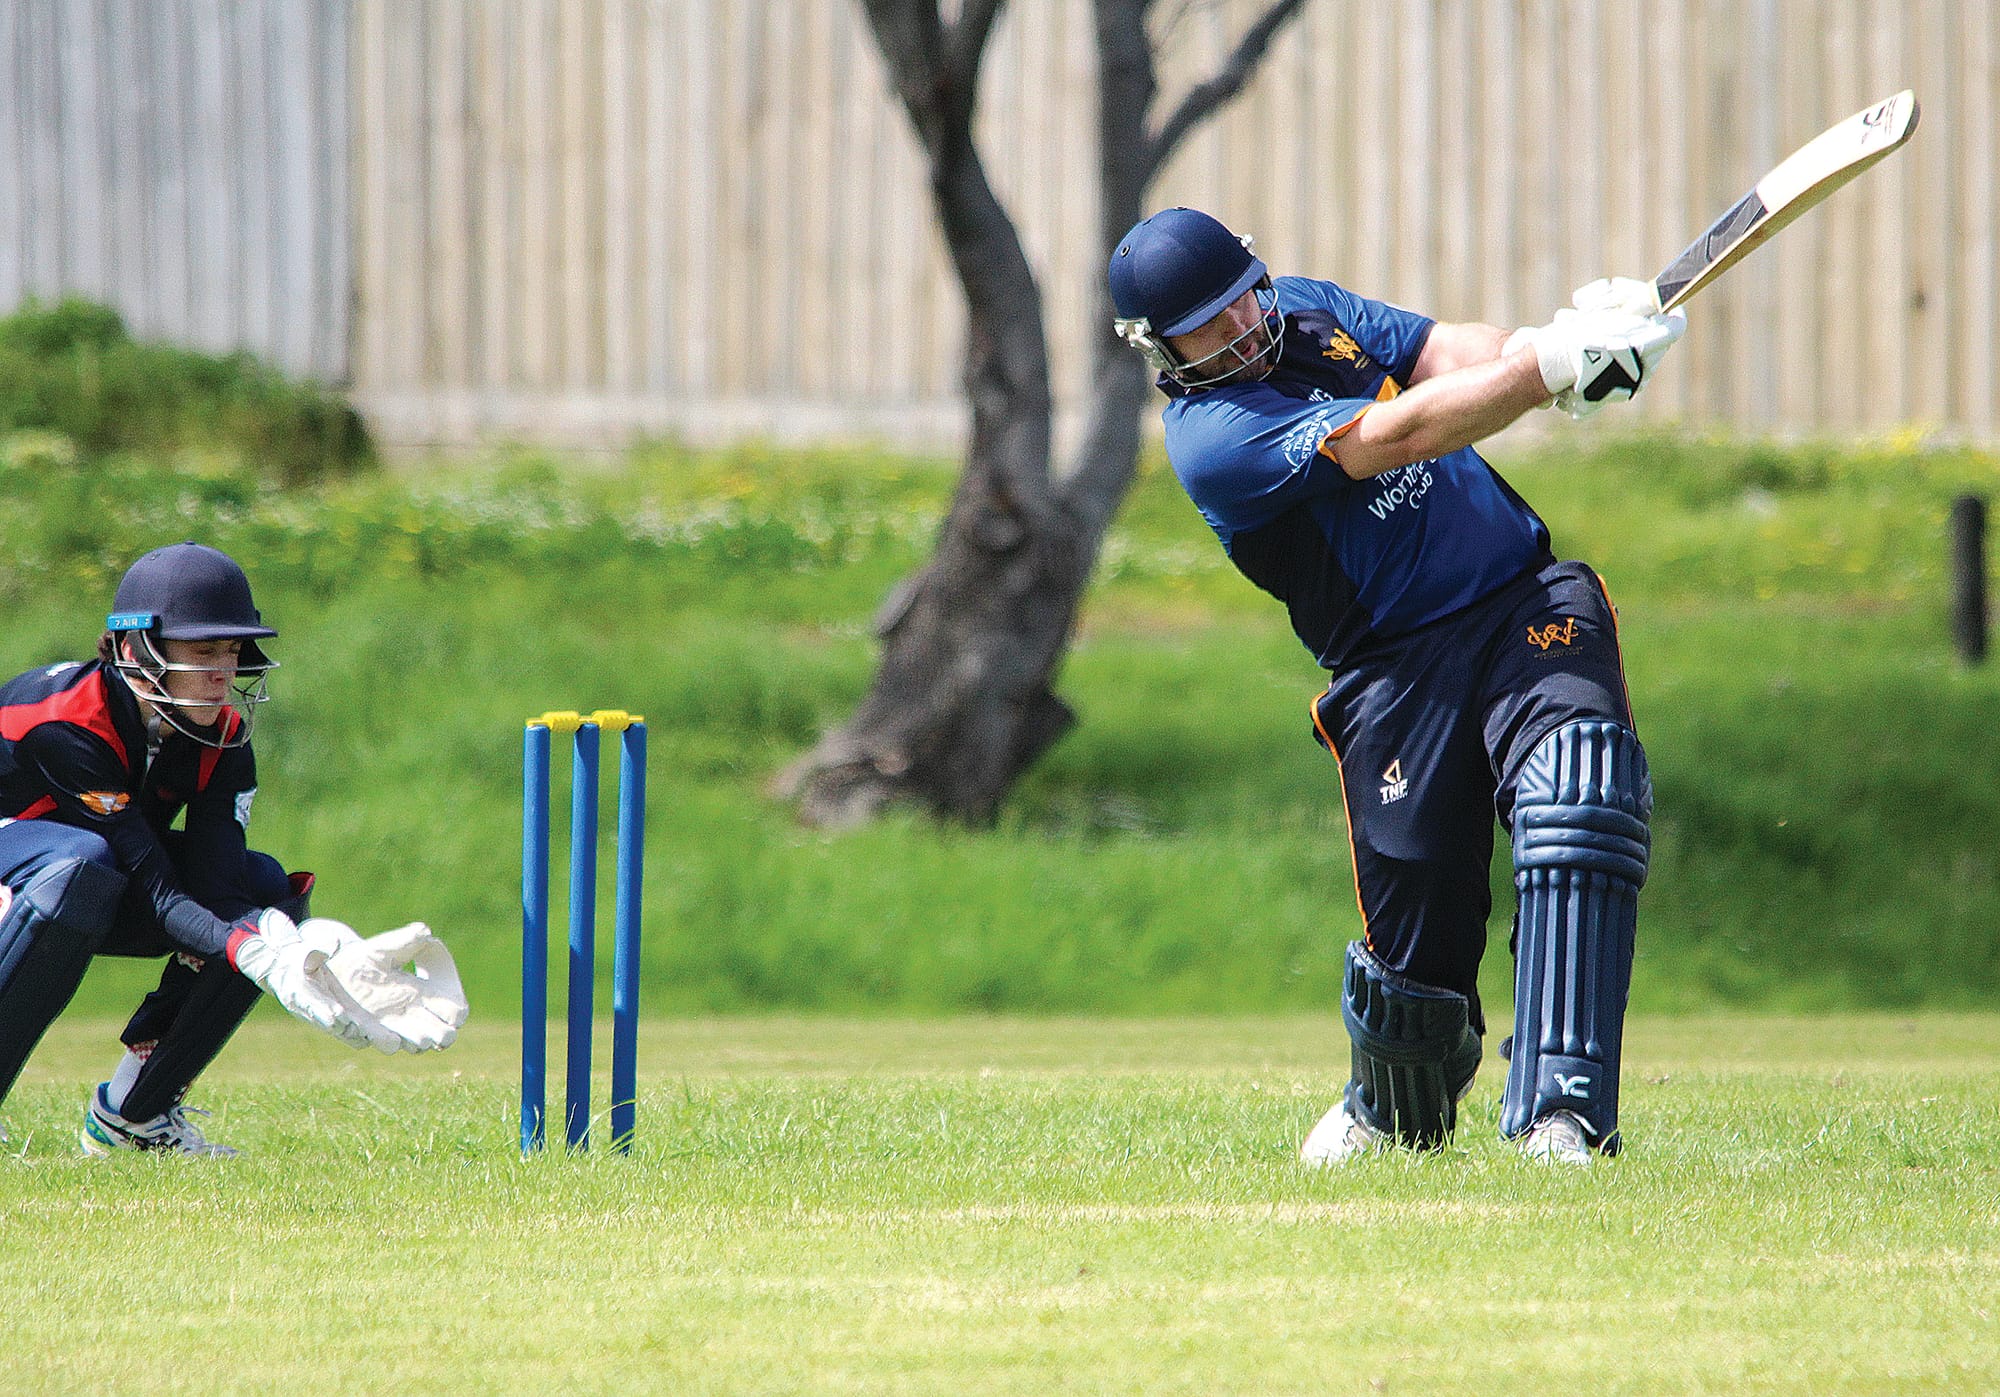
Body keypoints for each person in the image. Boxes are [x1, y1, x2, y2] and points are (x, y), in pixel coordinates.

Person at [1107, 207, 1685, 1165]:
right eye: (1205, 328)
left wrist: (1555, 347)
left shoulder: (1306, 311)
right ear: (1161, 350)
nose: (1241, 329)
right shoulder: (1212, 438)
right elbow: (1393, 433)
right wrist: (1543, 374)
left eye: (1241, 301)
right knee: (1419, 985)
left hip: (1519, 598)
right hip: (1393, 672)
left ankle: (1561, 1113)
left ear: (1260, 273)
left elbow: (1442, 354)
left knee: (1578, 796)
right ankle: (1389, 1103)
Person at [0, 541, 461, 1156]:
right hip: (32, 869)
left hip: (91, 869)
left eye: (231, 651)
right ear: (136, 649)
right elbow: (157, 891)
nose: (223, 672)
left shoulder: (223, 735)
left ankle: (136, 1116)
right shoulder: (65, 722)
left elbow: (216, 891)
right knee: (82, 867)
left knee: (266, 886)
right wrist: (260, 954)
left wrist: (298, 947)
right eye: (203, 650)